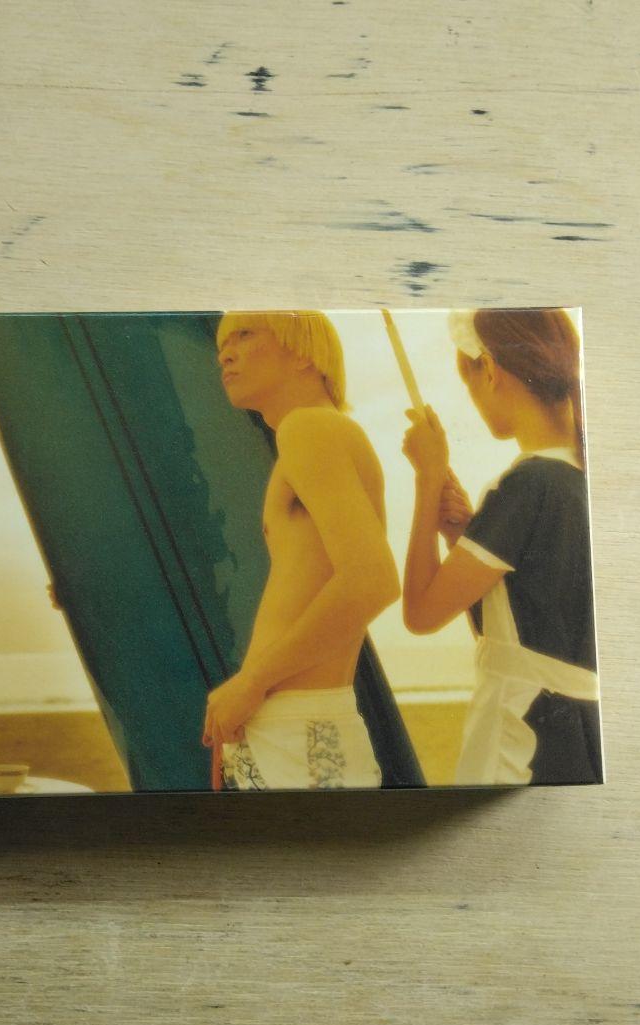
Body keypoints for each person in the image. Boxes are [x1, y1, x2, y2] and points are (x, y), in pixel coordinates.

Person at [401, 308, 602, 786]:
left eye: (468, 382)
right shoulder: (580, 479)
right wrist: (462, 535)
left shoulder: (528, 485)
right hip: (580, 734)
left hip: (521, 733)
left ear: (489, 370)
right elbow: (518, 625)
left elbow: (421, 614)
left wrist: (428, 479)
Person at [201, 311, 400, 790]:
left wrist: (250, 684)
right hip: (294, 727)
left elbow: (372, 582)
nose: (225, 355)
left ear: (304, 355)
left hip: (298, 733)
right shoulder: (317, 433)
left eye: (244, 335)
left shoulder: (309, 427)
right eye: (222, 345)